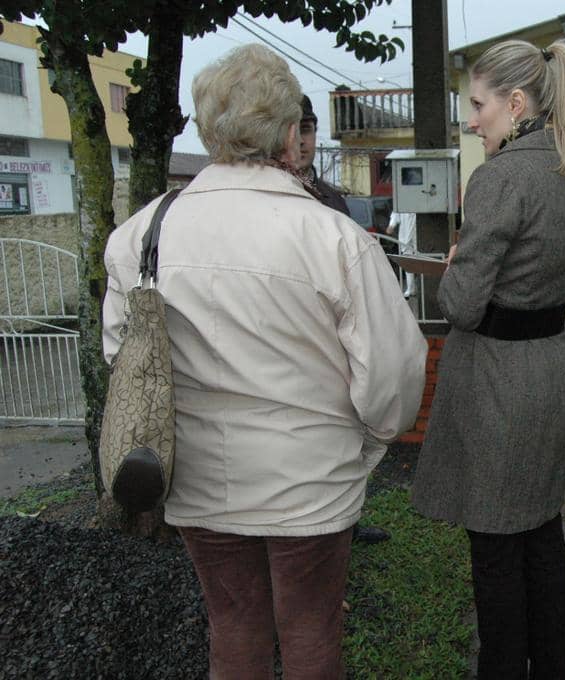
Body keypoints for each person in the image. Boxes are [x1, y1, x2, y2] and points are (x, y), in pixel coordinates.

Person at [101, 44, 427, 677]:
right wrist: (368, 443)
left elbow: (125, 357)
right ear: (286, 132)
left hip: (198, 478)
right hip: (309, 480)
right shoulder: (331, 237)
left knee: (232, 625)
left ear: (208, 128)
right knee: (310, 629)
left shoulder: (142, 233)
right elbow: (394, 370)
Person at [410, 39, 565, 679]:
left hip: (496, 376)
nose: (473, 120)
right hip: (551, 369)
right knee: (543, 533)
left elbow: (462, 305)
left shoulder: (498, 178)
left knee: (496, 544)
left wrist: (456, 267)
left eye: (478, 104)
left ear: (516, 102)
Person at [299, 92, 391, 546]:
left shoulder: (330, 199)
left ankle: (347, 521)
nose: (302, 142)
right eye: (294, 129)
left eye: (309, 129)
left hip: (337, 345)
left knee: (344, 443)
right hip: (293, 347)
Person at [297, 93, 351, 216]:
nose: (299, 140)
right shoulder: (263, 198)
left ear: (315, 132)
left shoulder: (335, 202)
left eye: (305, 130)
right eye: (290, 131)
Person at [386, 210, 418, 298]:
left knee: (420, 262)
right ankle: (411, 288)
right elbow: (396, 213)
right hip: (406, 237)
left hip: (418, 236)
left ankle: (416, 287)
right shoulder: (402, 200)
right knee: (408, 263)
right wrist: (391, 225)